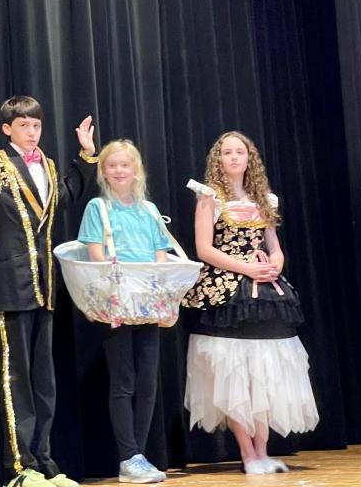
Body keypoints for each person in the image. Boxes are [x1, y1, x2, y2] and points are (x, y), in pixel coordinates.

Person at [0, 88, 97, 487]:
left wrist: (85, 157)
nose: (32, 132)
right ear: (8, 128)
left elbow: (65, 196)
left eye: (37, 125)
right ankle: (19, 465)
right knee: (17, 381)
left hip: (44, 288)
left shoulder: (45, 163)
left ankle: (44, 460)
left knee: (44, 382)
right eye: (24, 125)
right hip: (11, 284)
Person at [182, 131, 319, 475]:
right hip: (226, 293)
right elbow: (204, 249)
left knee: (263, 373)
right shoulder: (209, 198)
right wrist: (247, 268)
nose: (233, 158)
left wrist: (275, 264)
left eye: (239, 152)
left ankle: (263, 450)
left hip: (265, 292)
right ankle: (247, 452)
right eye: (226, 152)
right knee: (233, 374)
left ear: (248, 158)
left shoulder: (264, 200)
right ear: (219, 159)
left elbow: (274, 244)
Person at [78, 139, 174, 484]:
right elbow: (95, 255)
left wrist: (158, 290)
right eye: (112, 165)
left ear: (137, 171)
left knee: (148, 381)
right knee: (124, 380)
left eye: (125, 165)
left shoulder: (148, 211)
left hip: (147, 303)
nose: (119, 171)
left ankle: (139, 455)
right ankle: (127, 455)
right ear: (103, 171)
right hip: (117, 302)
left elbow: (161, 255)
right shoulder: (97, 208)